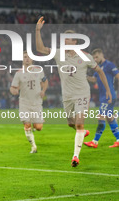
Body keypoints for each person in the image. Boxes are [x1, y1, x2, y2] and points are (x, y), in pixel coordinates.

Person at [36, 16, 112, 167]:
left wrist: (108, 90)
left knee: (79, 124)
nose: (66, 41)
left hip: (82, 94)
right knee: (71, 123)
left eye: (69, 39)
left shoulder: (86, 56)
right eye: (65, 39)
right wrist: (37, 30)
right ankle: (82, 133)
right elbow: (40, 49)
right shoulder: (59, 53)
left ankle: (75, 157)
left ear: (75, 42)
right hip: (68, 96)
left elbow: (101, 72)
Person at [10, 51, 48, 153]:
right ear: (22, 59)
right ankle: (33, 146)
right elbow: (13, 87)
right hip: (24, 103)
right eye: (25, 57)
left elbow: (45, 81)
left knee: (38, 127)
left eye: (29, 57)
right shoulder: (18, 73)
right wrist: (14, 91)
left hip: (36, 102)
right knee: (26, 124)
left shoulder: (39, 70)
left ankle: (35, 127)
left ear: (32, 59)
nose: (27, 59)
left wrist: (43, 91)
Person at [84, 48, 119, 148]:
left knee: (101, 117)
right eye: (93, 57)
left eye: (96, 57)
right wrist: (85, 76)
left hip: (109, 95)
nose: (95, 59)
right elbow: (94, 79)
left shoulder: (109, 65)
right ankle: (118, 139)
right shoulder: (98, 68)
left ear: (101, 55)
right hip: (104, 96)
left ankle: (95, 141)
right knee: (110, 118)